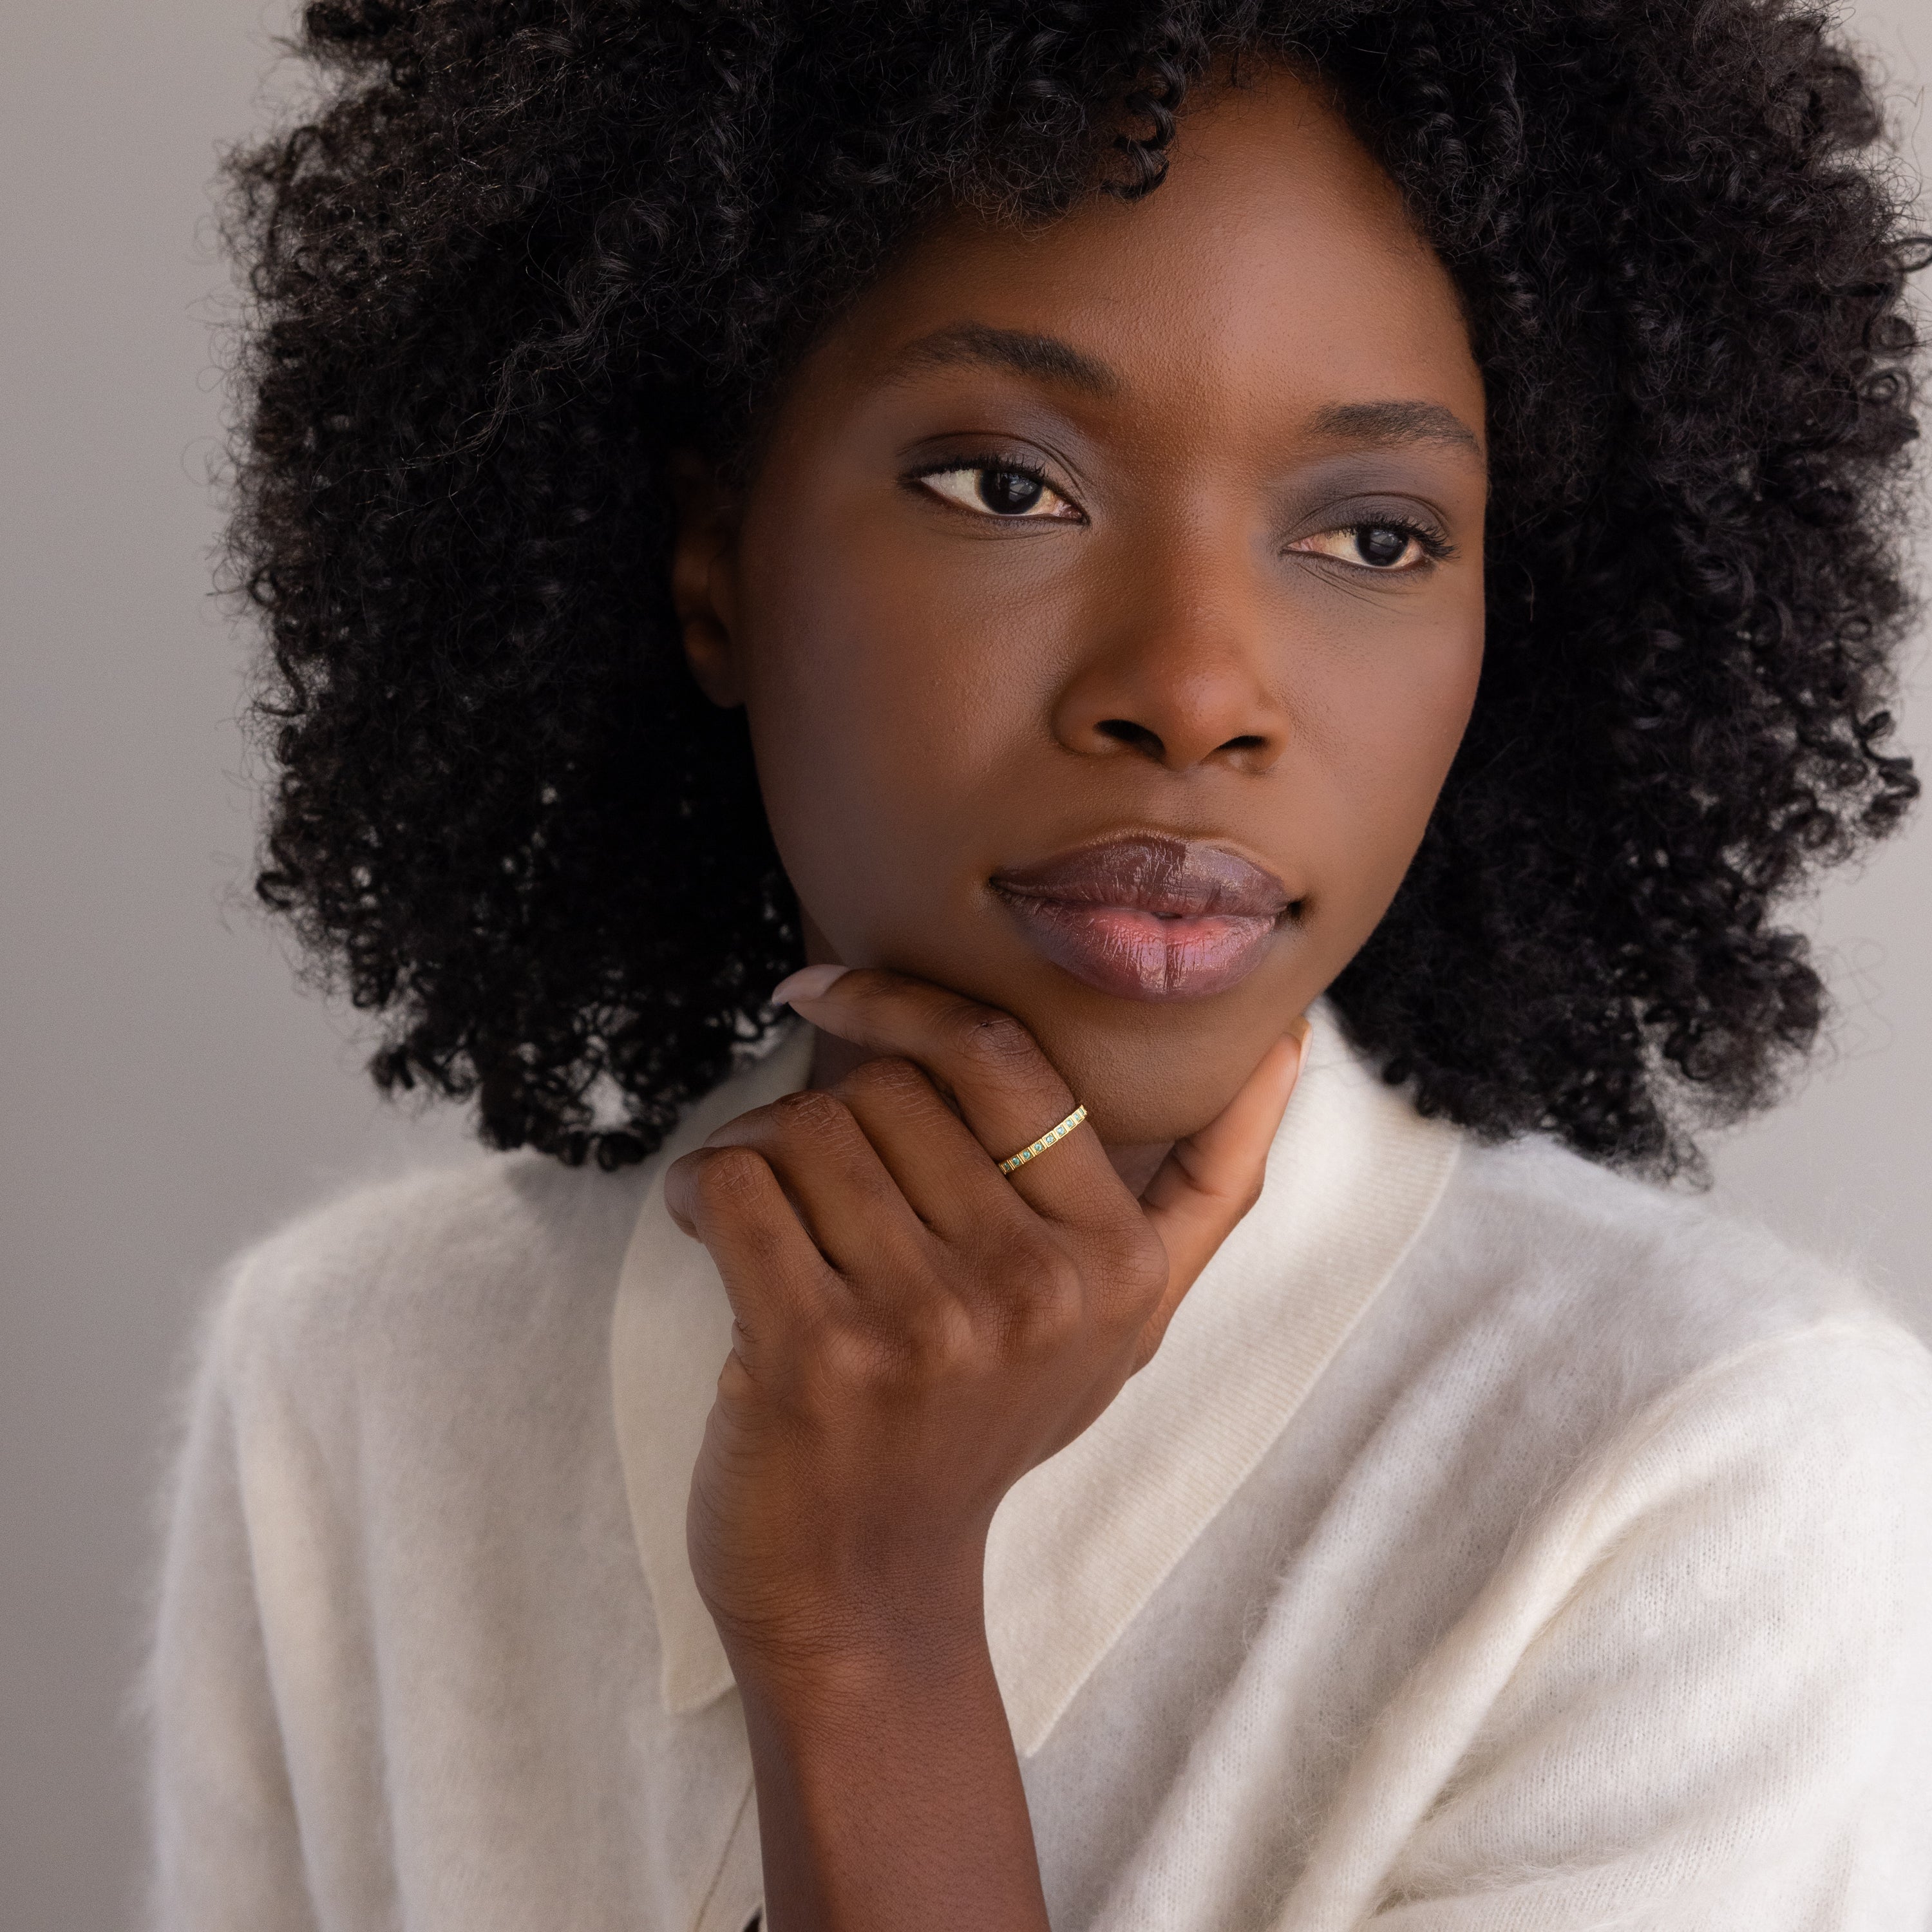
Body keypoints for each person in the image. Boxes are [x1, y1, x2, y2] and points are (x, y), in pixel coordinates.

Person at [148, 3, 1932, 1927]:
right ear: (711, 562)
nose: (1192, 688)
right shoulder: (361, 1376)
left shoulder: (1700, 1473)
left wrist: (869, 1633)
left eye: (1375, 532)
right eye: (1008, 486)